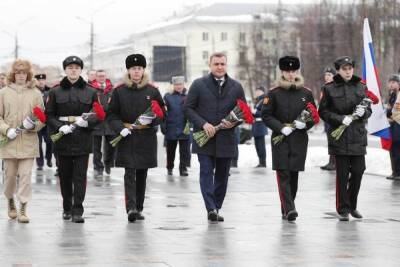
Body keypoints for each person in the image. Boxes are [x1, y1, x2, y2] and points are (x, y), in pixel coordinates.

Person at [184, 52, 246, 222]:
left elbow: (243, 111)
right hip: (204, 137)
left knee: (222, 175)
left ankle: (216, 206)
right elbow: (188, 109)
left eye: (222, 64)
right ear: (210, 65)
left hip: (226, 139)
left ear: (227, 65)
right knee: (205, 172)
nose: (219, 67)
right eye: (216, 64)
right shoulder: (198, 84)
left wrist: (234, 123)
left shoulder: (236, 86)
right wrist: (203, 124)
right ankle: (210, 207)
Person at [108, 54, 165, 222]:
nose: (136, 72)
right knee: (129, 172)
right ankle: (131, 208)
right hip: (127, 137)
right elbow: (111, 114)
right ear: (128, 71)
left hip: (146, 137)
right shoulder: (119, 91)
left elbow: (162, 113)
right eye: (133, 69)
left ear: (143, 70)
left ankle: (139, 207)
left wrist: (153, 119)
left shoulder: (152, 90)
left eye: (139, 68)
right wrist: (120, 129)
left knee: (142, 173)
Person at [262, 56, 318, 222]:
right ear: (282, 72)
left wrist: (305, 125)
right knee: (283, 174)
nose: (291, 74)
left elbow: (313, 115)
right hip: (281, 138)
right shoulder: (273, 93)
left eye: (293, 71)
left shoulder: (306, 93)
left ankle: (286, 208)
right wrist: (280, 127)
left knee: (294, 175)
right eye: (287, 71)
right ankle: (290, 208)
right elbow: (266, 115)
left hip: (299, 139)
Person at [46, 56, 100, 223]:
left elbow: (98, 113)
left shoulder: (91, 91)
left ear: (81, 70)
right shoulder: (55, 91)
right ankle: (67, 207)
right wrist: (58, 126)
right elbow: (49, 114)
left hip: (82, 137)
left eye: (76, 67)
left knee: (80, 176)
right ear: (65, 70)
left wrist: (88, 121)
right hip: (63, 137)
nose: (73, 70)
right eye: (70, 67)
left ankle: (78, 210)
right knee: (65, 175)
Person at [319, 56, 372, 221]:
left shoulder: (361, 86)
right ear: (338, 70)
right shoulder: (329, 88)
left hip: (357, 136)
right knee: (342, 175)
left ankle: (352, 205)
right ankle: (343, 209)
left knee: (358, 171)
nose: (348, 72)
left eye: (350, 68)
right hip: (340, 137)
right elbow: (323, 112)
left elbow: (368, 109)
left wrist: (365, 113)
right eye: (344, 69)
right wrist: (340, 119)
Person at [0, 59, 45, 223]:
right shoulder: (4, 92)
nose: (21, 76)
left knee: (25, 175)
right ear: (13, 74)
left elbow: (42, 117)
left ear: (28, 74)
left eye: (24, 73)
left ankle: (23, 206)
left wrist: (32, 126)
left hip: (28, 142)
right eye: (18, 73)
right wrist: (7, 129)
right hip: (9, 143)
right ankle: (10, 199)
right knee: (10, 176)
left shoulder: (35, 93)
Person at [163, 76, 191, 176]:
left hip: (184, 127)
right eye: (176, 84)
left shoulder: (188, 96)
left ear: (184, 85)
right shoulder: (167, 96)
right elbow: (163, 112)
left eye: (180, 84)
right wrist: (163, 125)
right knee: (171, 150)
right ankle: (170, 167)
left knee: (184, 151)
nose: (178, 86)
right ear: (173, 85)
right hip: (171, 126)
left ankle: (183, 168)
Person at [90, 70, 116, 178]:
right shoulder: (91, 89)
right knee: (96, 148)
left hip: (109, 122)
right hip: (96, 122)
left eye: (103, 76)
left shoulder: (112, 89)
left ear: (106, 77)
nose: (101, 78)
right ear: (96, 77)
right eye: (99, 76)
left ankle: (108, 164)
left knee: (111, 146)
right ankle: (98, 167)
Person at [34, 73, 53, 171]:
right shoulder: (32, 91)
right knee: (38, 143)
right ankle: (40, 163)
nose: (41, 82)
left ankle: (49, 159)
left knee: (49, 141)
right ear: (36, 81)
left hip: (47, 121)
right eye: (39, 80)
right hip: (37, 121)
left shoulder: (50, 91)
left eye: (43, 80)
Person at [320, 67, 336, 171]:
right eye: (326, 75)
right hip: (326, 117)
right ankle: (331, 161)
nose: (327, 77)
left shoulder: (335, 87)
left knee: (334, 140)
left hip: (333, 116)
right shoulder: (324, 87)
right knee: (330, 141)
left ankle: (334, 162)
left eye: (329, 75)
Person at [386, 74, 400, 180]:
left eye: (393, 82)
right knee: (393, 149)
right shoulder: (392, 95)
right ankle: (395, 172)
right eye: (389, 82)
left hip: (398, 126)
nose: (391, 84)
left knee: (398, 149)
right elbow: (389, 112)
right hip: (392, 125)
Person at [252, 86, 268, 168]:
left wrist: (256, 111)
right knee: (257, 145)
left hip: (261, 124)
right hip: (255, 125)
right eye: (256, 90)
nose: (257, 92)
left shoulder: (265, 99)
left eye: (259, 90)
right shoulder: (257, 100)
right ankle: (260, 161)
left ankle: (263, 162)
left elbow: (265, 111)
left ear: (262, 91)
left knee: (261, 145)